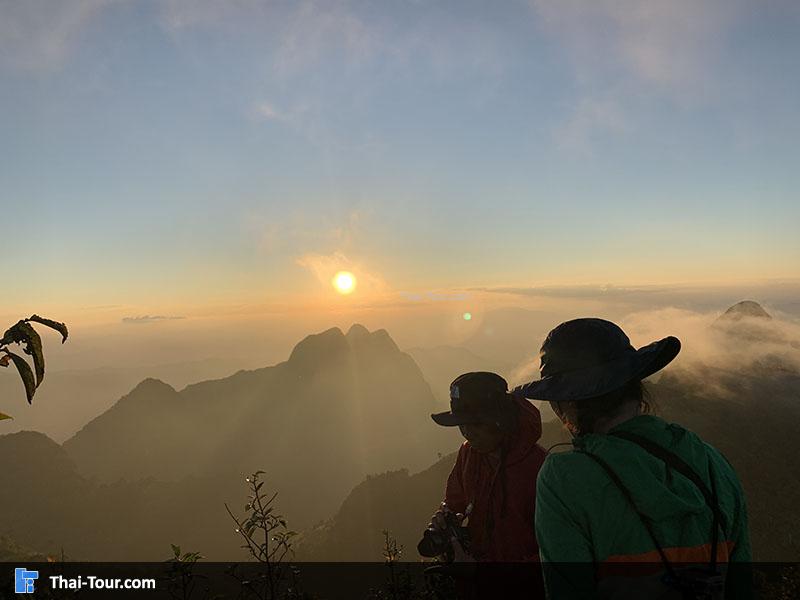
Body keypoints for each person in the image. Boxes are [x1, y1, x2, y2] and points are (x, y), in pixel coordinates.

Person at [514, 318, 752, 599]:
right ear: (633, 384)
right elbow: (742, 582)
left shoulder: (564, 479)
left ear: (568, 402)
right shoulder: (711, 460)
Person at [418, 371, 548, 562]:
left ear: (499, 419)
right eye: (461, 425)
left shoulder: (540, 469)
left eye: (474, 424)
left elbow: (553, 552)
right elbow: (455, 503)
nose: (467, 433)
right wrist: (447, 521)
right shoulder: (469, 454)